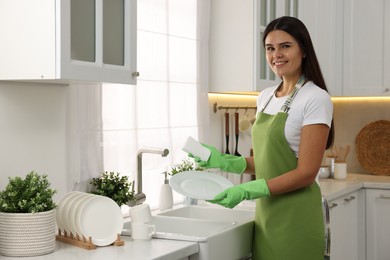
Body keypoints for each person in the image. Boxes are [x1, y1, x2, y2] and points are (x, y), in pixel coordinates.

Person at [192, 16, 334, 260]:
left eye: (285, 46)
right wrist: (226, 161)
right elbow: (270, 161)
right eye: (270, 48)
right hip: (266, 217)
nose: (276, 54)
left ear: (304, 50)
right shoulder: (265, 97)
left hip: (296, 218)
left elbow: (306, 173)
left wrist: (248, 190)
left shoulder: (315, 98)